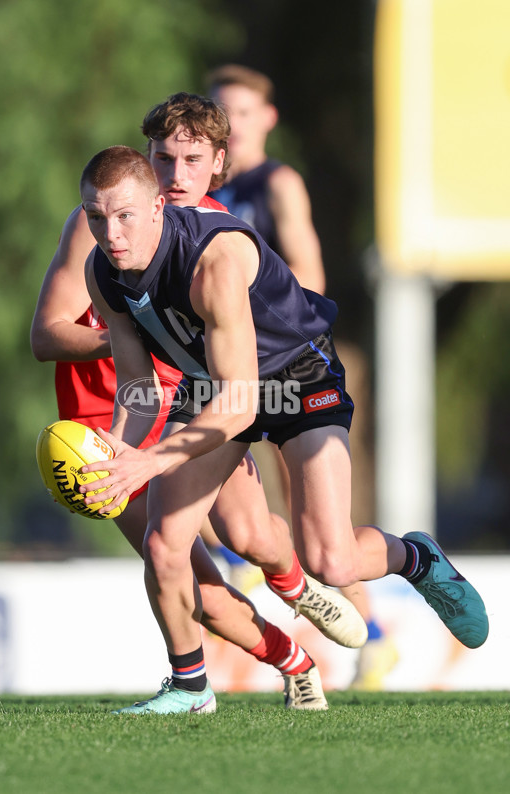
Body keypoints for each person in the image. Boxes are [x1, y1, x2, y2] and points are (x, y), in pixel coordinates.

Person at [78, 145, 489, 715]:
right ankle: (190, 689)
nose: (110, 232)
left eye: (123, 215)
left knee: (333, 561)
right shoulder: (102, 271)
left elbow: (242, 405)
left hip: (295, 376)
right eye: (96, 217)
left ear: (156, 208)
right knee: (164, 543)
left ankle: (416, 558)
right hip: (215, 382)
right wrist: (116, 453)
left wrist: (150, 462)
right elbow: (136, 384)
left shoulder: (212, 259)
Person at [31, 93, 367, 712]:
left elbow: (242, 378)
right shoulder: (102, 236)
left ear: (216, 163)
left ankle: (298, 582)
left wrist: (153, 438)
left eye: (191, 160)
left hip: (223, 393)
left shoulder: (216, 242)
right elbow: (49, 335)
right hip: (122, 421)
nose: (177, 174)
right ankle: (259, 671)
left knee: (261, 537)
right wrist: (126, 430)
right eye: (164, 157)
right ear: (148, 161)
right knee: (176, 560)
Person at [208, 63, 399, 689]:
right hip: (225, 369)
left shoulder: (277, 181)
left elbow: (308, 272)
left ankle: (373, 636)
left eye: (241, 111)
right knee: (238, 515)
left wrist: (272, 340)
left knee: (319, 538)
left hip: (284, 365)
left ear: (267, 119)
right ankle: (262, 575)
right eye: (220, 112)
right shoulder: (197, 193)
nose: (231, 124)